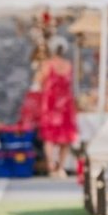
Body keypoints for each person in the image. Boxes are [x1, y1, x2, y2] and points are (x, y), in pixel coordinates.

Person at [37, 36, 78, 178]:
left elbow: (40, 81)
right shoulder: (69, 65)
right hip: (66, 105)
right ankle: (60, 167)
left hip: (51, 105)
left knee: (49, 137)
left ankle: (51, 166)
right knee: (65, 138)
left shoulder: (47, 65)